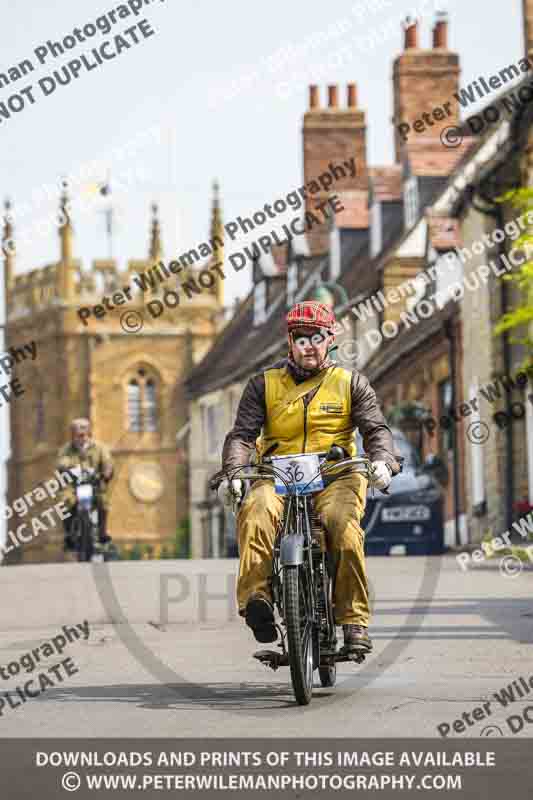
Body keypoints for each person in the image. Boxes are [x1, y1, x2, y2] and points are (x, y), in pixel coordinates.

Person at [218, 301, 400, 653]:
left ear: (330, 339)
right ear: (290, 341)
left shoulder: (351, 384)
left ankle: (353, 620)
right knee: (256, 513)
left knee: (342, 525)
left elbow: (376, 429)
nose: (310, 345)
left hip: (337, 475)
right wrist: (234, 474)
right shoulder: (263, 385)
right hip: (278, 474)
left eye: (317, 337)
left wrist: (382, 461)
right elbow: (241, 436)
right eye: (302, 338)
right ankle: (257, 602)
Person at [57, 418, 114, 552]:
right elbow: (62, 462)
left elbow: (108, 461)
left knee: (103, 500)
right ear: (73, 435)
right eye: (78, 434)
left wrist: (107, 472)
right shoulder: (66, 449)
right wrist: (66, 468)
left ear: (89, 433)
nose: (82, 437)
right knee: (64, 501)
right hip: (73, 484)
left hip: (94, 483)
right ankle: (69, 535)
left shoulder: (99, 447)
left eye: (84, 433)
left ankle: (102, 532)